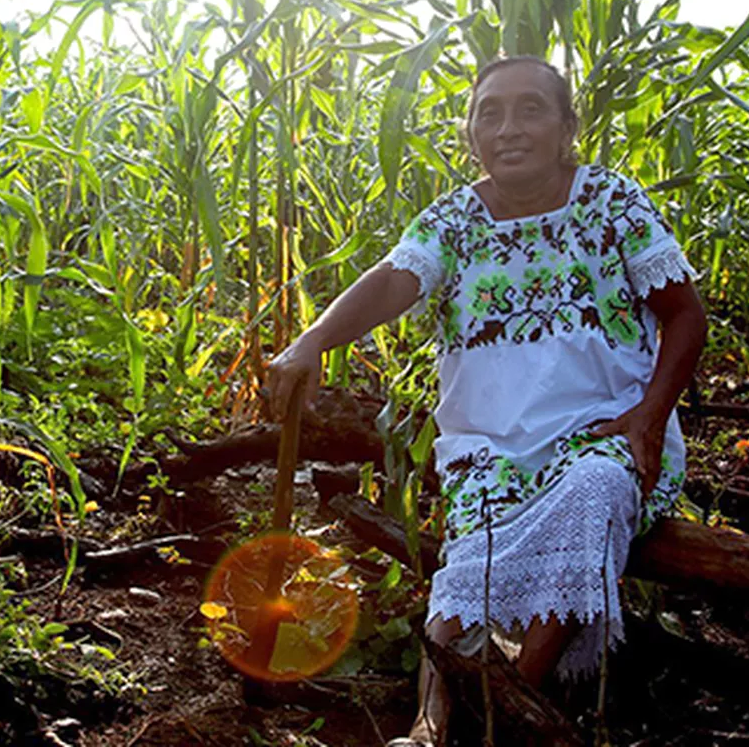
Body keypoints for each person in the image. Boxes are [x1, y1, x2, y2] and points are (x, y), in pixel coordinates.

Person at [262, 55, 706, 746]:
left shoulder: (612, 203)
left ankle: (509, 707)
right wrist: (311, 342)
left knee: (594, 490)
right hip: (492, 444)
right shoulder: (455, 220)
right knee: (469, 571)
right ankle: (429, 726)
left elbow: (685, 314)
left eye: (532, 110)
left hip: (604, 430)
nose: (509, 129)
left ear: (566, 129)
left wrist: (648, 418)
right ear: (470, 132)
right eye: (490, 113)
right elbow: (392, 281)